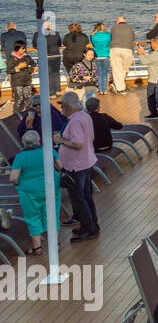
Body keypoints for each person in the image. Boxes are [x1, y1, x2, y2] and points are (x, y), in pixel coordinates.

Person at [54, 91, 99, 242]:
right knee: (86, 196)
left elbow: (78, 143)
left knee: (78, 198)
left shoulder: (74, 122)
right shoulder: (85, 116)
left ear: (67, 106)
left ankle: (89, 228)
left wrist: (61, 140)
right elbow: (90, 138)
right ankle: (92, 224)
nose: (62, 109)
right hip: (87, 162)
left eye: (62, 106)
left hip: (76, 166)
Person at [8, 130, 59, 256]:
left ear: (24, 143)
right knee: (51, 214)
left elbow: (13, 178)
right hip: (51, 186)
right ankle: (55, 243)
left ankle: (37, 248)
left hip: (29, 191)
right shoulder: (48, 150)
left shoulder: (20, 157)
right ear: (38, 140)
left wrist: (19, 184)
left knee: (33, 217)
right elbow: (60, 166)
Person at [107, 16, 135, 94]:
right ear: (125, 21)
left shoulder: (114, 28)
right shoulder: (130, 28)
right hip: (128, 50)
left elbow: (111, 38)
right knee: (125, 69)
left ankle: (120, 88)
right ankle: (119, 86)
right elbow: (133, 38)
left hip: (115, 49)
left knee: (117, 69)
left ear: (117, 22)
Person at [6, 43, 35, 115]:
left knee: (28, 99)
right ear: (17, 48)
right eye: (22, 48)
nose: (24, 50)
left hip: (27, 81)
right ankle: (16, 115)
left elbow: (33, 64)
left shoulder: (27, 57)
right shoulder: (11, 58)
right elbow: (9, 70)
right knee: (19, 99)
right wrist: (18, 67)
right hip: (17, 82)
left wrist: (32, 69)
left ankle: (29, 115)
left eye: (24, 48)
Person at [143, 37, 158, 118]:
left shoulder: (156, 53)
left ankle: (154, 113)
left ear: (155, 44)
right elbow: (152, 59)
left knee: (151, 96)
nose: (151, 45)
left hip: (154, 78)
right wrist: (144, 53)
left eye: (151, 43)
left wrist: (140, 55)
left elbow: (145, 62)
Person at [90, 21, 112, 93]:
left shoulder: (93, 35)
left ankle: (100, 89)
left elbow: (93, 44)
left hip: (97, 56)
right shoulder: (108, 35)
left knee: (99, 74)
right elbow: (109, 43)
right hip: (105, 55)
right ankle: (104, 90)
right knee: (105, 74)